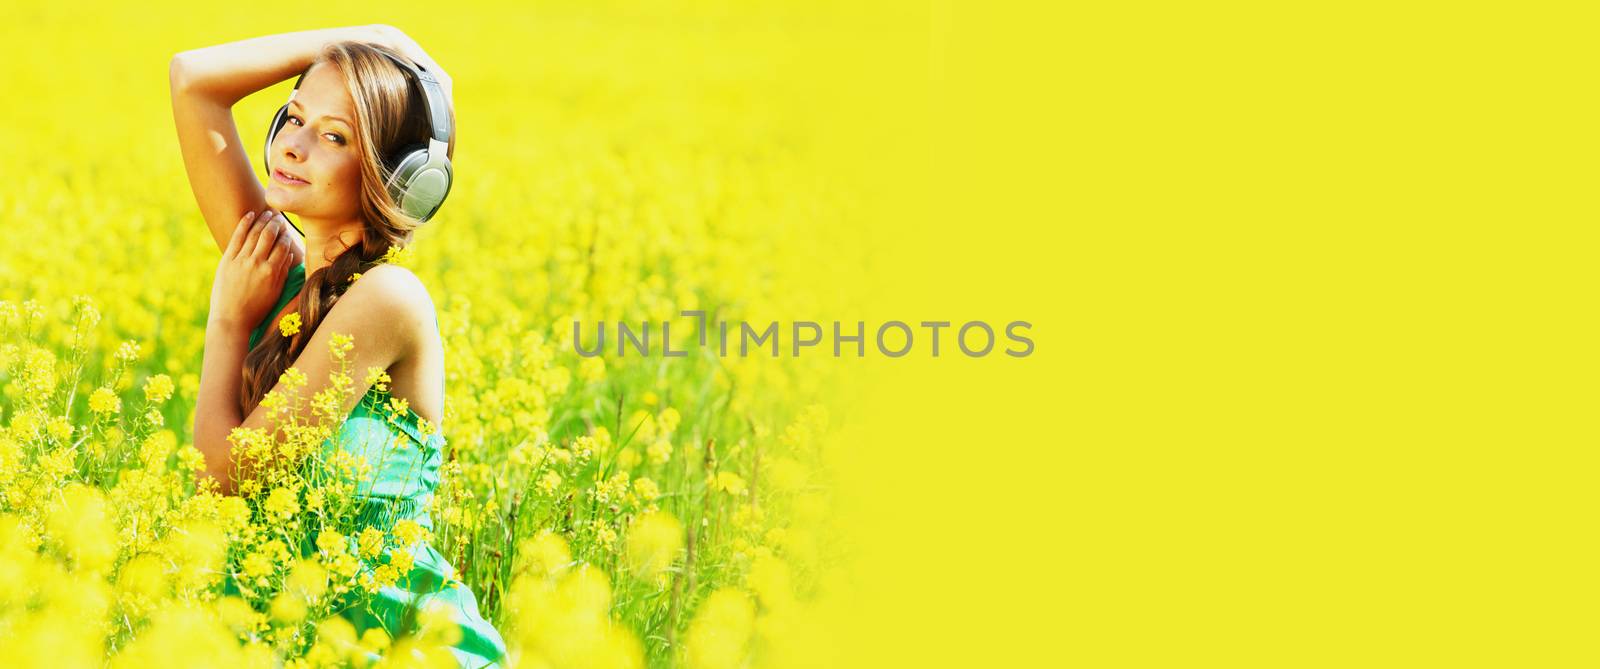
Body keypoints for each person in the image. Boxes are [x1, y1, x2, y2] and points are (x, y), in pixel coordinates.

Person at [170, 25, 505, 667]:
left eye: (334, 136)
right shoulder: (278, 275)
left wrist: (227, 323)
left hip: (401, 651)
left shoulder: (388, 300)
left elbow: (224, 475)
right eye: (293, 118)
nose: (292, 147)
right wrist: (362, 37)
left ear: (401, 178)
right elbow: (192, 82)